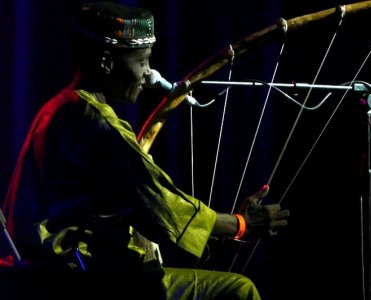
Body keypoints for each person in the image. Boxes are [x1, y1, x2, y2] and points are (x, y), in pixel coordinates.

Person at [1, 1, 290, 299]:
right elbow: (157, 201)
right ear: (107, 62)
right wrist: (240, 224)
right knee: (236, 292)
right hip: (79, 277)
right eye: (142, 62)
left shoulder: (61, 108)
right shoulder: (97, 123)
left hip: (65, 270)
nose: (149, 74)